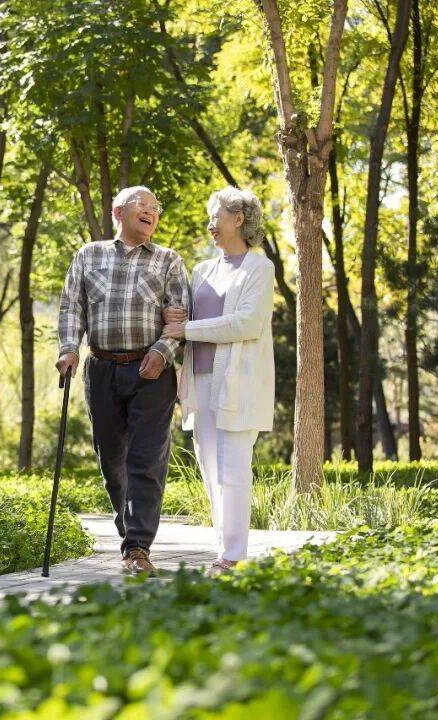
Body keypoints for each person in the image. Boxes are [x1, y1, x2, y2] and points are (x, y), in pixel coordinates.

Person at [56, 186, 189, 574]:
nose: (151, 212)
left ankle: (137, 546)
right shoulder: (89, 255)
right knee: (111, 458)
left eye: (156, 208)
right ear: (119, 212)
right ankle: (130, 531)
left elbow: (177, 317)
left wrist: (163, 351)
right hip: (102, 369)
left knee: (146, 459)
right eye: (143, 206)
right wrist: (68, 348)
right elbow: (71, 305)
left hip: (152, 371)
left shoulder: (168, 260)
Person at [161, 186, 275, 576]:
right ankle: (222, 550)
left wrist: (186, 328)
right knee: (210, 471)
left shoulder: (259, 268)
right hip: (200, 381)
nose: (210, 224)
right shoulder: (202, 270)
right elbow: (182, 322)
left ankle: (235, 554)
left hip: (239, 384)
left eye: (216, 216)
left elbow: (246, 323)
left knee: (234, 470)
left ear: (238, 219)